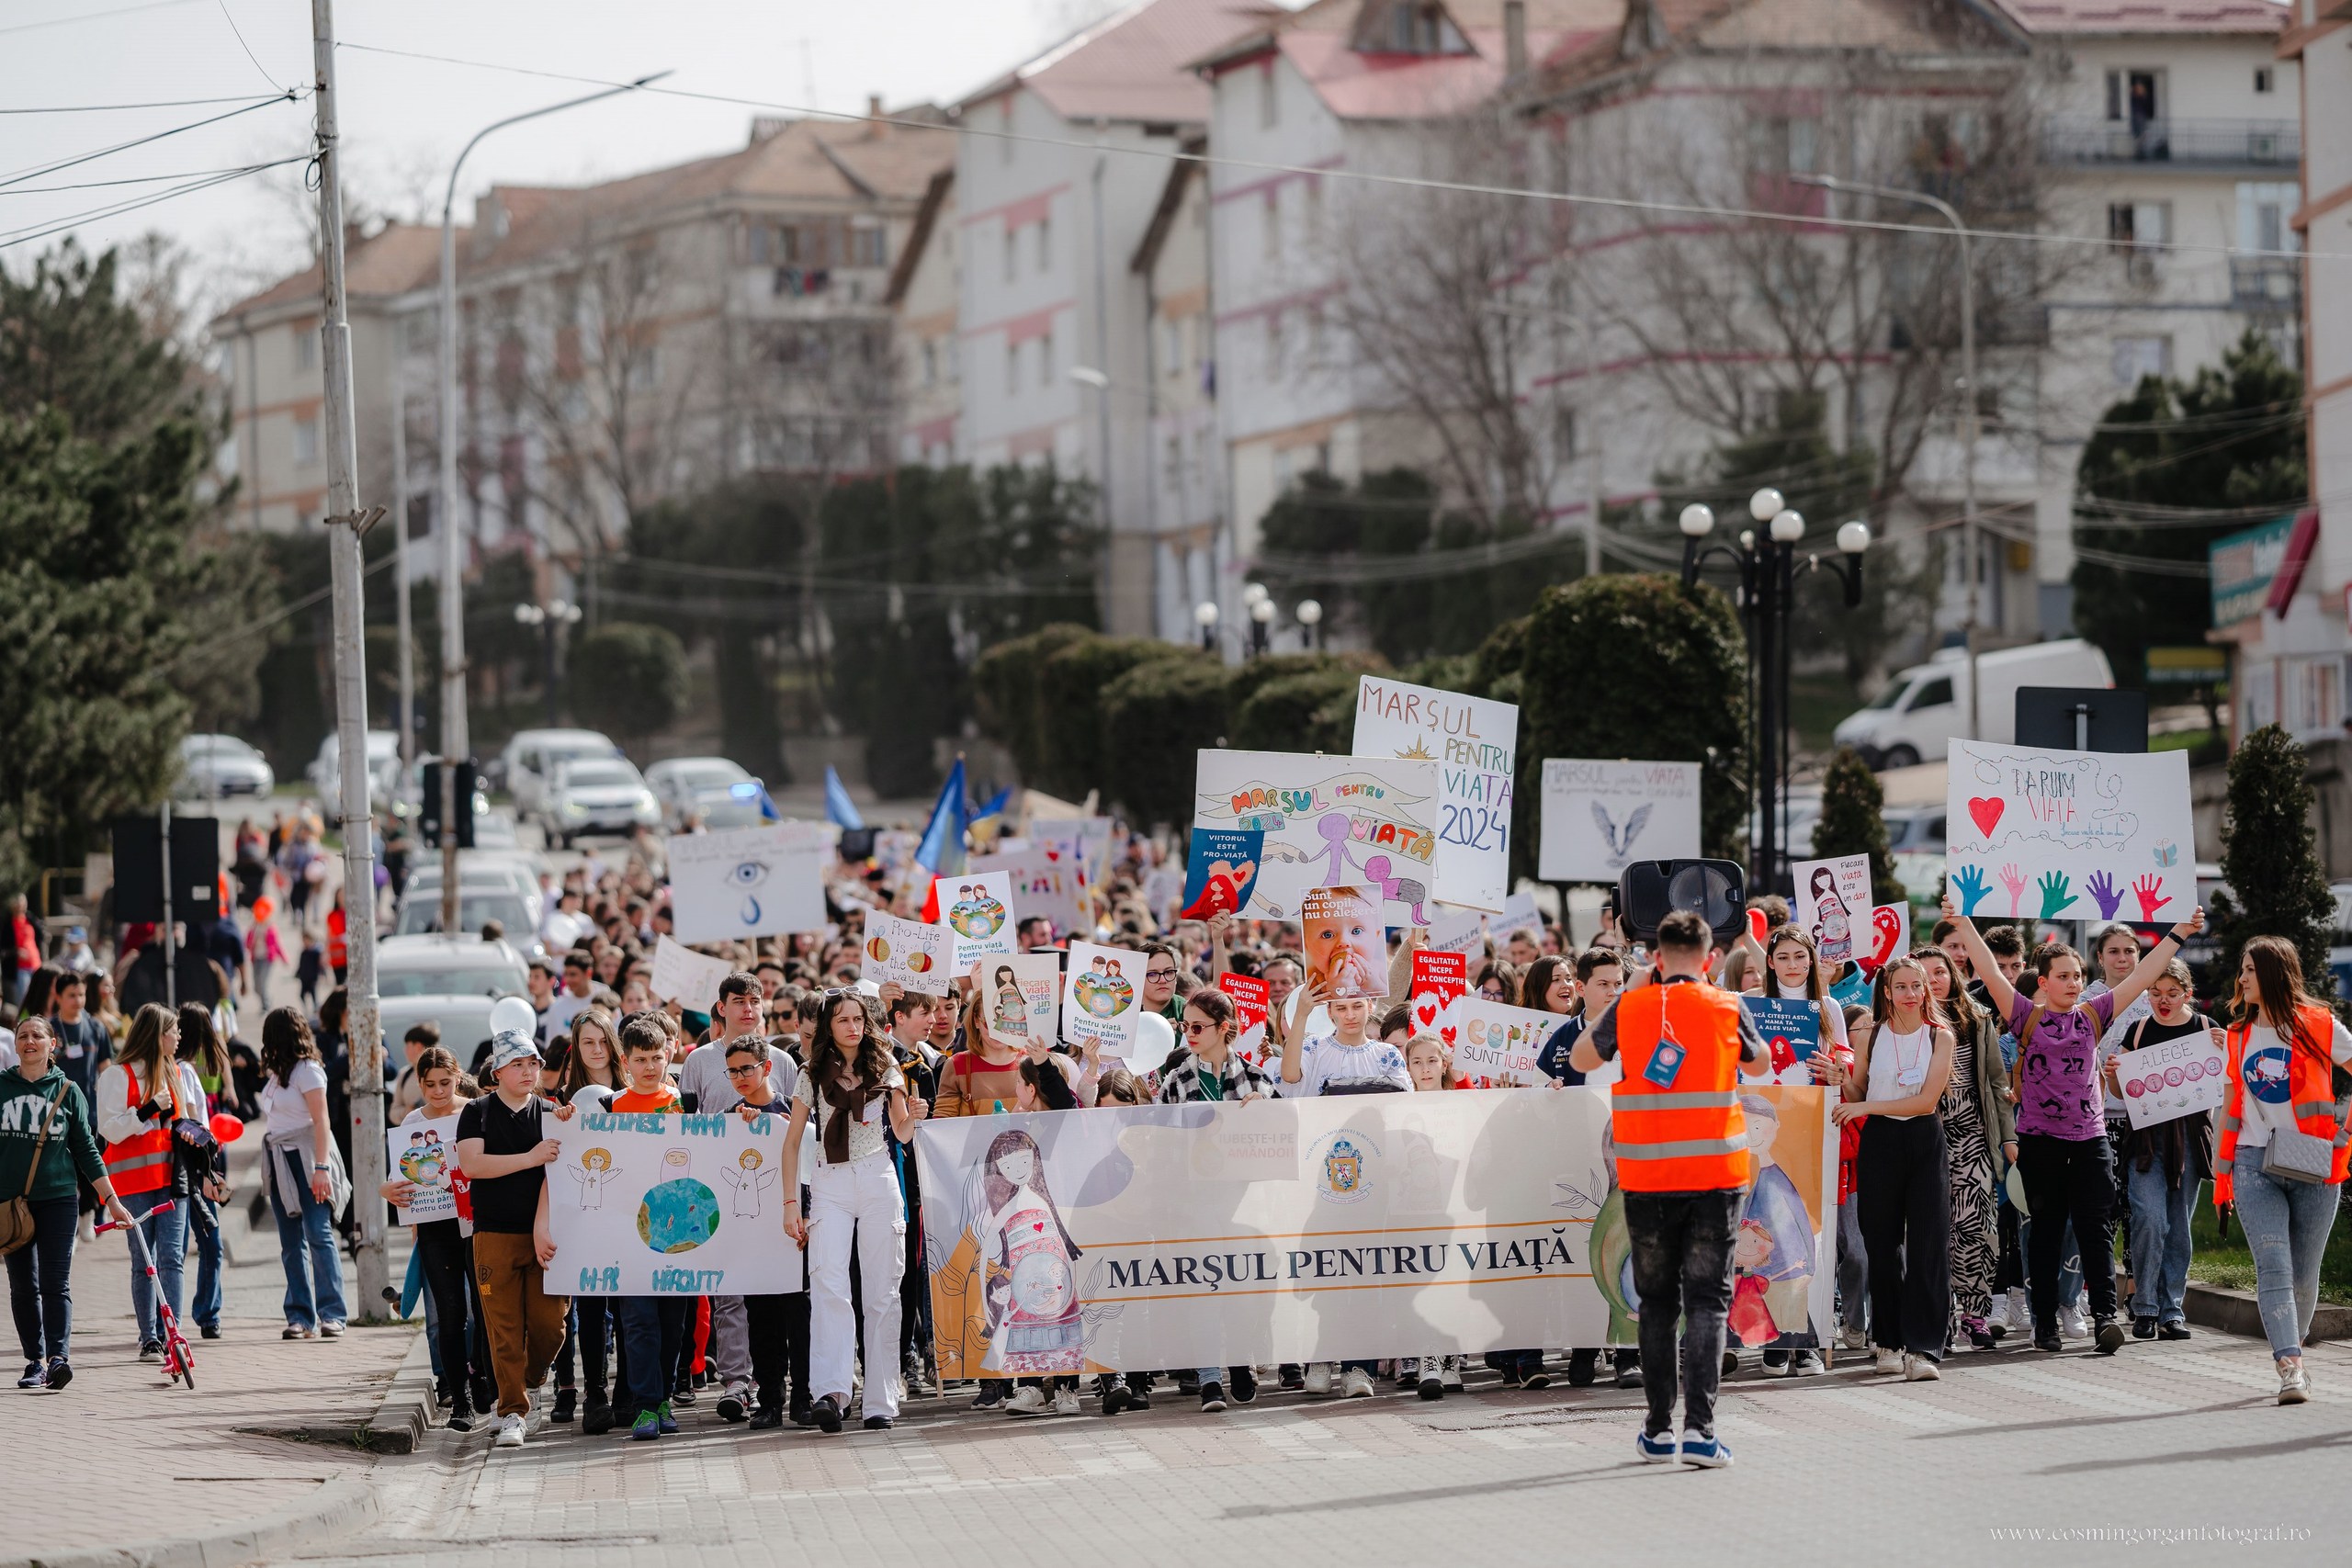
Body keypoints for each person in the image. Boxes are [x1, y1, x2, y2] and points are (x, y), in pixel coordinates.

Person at [1943, 893, 2203, 1355]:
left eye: (2078, 976)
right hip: (2040, 1142)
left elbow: (2143, 974)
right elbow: (1984, 968)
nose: (2072, 982)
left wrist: (2179, 933)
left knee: (2095, 1229)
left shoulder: (2095, 1013)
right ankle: (2045, 1323)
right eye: (2063, 976)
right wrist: (1962, 923)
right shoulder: (2025, 1014)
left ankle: (2104, 1316)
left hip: (2090, 1141)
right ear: (2043, 981)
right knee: (2043, 1233)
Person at [1568, 909, 1765, 1469]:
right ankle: (1701, 1432)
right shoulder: (1728, 1005)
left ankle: (1656, 1430)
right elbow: (1763, 1059)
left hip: (1648, 1178)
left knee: (1656, 1304)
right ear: (1709, 959)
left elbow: (1583, 1058)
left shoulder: (1630, 1007)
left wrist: (1629, 992)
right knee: (1707, 1303)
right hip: (1714, 1178)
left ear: (1655, 960)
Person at [2210, 936, 2350, 1404]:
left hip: (2313, 1164)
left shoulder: (2317, 1024)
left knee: (2305, 1274)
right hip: (2253, 1162)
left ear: (2271, 973)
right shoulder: (2238, 1034)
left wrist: (2344, 1137)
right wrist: (2221, 1165)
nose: (2242, 978)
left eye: (2249, 969)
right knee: (2273, 1265)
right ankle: (2290, 1365)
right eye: (2242, 969)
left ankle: (2295, 1345)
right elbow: (2231, 1099)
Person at [780, 989, 925, 1432]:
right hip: (830, 1180)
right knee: (828, 1285)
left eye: (858, 1018)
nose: (852, 1026)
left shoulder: (886, 1066)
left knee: (883, 1290)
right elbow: (791, 1143)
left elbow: (900, 1133)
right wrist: (791, 1204)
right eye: (842, 1019)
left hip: (878, 1174)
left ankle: (880, 1400)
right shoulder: (810, 1072)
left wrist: (914, 1115)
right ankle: (832, 1392)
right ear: (829, 1026)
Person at [1819, 954, 1955, 1381]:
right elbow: (1859, 1086)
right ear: (1887, 991)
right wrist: (1842, 1077)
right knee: (1880, 1243)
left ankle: (1924, 1348)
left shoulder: (1941, 1037)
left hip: (1923, 1139)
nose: (1911, 994)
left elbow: (1926, 1101)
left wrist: (1864, 1103)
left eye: (1918, 986)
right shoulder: (1872, 1036)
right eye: (1901, 986)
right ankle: (1889, 1342)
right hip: (1879, 1141)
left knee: (1928, 1242)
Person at [1278, 974, 1410, 1399]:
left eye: (1357, 1006)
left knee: (1367, 1272)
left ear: (1371, 1006)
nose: (1350, 1015)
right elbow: (1290, 1078)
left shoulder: (1389, 1056)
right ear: (1329, 1011)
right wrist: (1300, 1013)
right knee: (1328, 1270)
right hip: (1326, 1181)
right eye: (1341, 1007)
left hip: (1376, 1183)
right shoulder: (1315, 1049)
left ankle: (1359, 1368)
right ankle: (1321, 1357)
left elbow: (1407, 1112)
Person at [673, 972, 796, 1425]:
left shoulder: (782, 1061)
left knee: (771, 1291)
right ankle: (736, 1381)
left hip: (772, 1193)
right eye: (738, 1000)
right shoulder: (699, 1062)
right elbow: (686, 1125)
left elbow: (794, 1126)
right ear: (721, 1008)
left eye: (755, 1000)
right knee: (727, 1293)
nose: (748, 1008)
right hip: (717, 1190)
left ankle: (770, 1379)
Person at [1151, 987, 1272, 1414]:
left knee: (1239, 1290)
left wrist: (1265, 1109)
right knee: (1203, 1289)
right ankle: (1208, 1380)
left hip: (1243, 1204)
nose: (1190, 1034)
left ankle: (1239, 1360)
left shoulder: (1257, 1080)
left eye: (1198, 1027)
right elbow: (1158, 1141)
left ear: (1225, 1029)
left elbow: (1278, 1144)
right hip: (1194, 1203)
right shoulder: (1177, 1079)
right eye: (1186, 1026)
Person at [0, 1017, 136, 1390]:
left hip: (59, 1199)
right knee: (23, 1286)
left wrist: (113, 1201)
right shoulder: (1, 1088)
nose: (29, 1041)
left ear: (52, 1044)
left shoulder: (68, 1091)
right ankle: (34, 1361)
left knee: (55, 1282)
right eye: (23, 1036)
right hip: (11, 1205)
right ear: (16, 1045)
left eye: (37, 1036)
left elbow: (88, 1152)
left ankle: (59, 1358)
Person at [457, 1027, 565, 1447]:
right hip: (494, 1233)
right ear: (497, 1070)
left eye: (533, 1063)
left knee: (549, 1327)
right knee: (503, 1329)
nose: (527, 1071)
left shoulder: (553, 1111)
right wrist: (530, 1158)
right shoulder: (478, 1111)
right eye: (517, 1064)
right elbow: (472, 1165)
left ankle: (533, 1381)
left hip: (546, 1236)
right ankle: (512, 1413)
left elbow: (564, 1171)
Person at [380, 1044, 484, 1430]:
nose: (439, 1091)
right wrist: (387, 1191)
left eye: (445, 1082)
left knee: (485, 1311)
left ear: (457, 1078)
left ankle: (481, 1375)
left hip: (477, 1222)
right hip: (435, 1229)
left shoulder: (475, 1111)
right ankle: (460, 1402)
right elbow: (399, 1178)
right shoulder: (411, 1122)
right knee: (450, 1314)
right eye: (430, 1085)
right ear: (419, 1084)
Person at [2108, 959, 2212, 1342]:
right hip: (2146, 1143)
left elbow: (2223, 1080)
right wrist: (2113, 1074)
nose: (2162, 1001)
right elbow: (2121, 1092)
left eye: (2171, 993)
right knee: (2149, 1218)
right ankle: (2145, 1307)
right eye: (2155, 993)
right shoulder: (2137, 1030)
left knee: (2178, 1226)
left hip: (2188, 1141)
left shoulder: (2205, 1029)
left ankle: (2172, 1310)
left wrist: (2226, 1052)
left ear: (2188, 994)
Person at [96, 1004, 207, 1362]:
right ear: (157, 1034)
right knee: (144, 1259)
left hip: (173, 1181)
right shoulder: (118, 1075)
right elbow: (108, 1128)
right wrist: (145, 1111)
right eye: (173, 1031)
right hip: (134, 1183)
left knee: (172, 1257)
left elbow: (184, 1123)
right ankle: (149, 1338)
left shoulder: (175, 1073)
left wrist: (200, 1144)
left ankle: (172, 1332)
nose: (178, 1037)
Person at [1917, 948, 2015, 1352]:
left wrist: (2008, 1137)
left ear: (1954, 974)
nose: (1934, 980)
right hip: (1925, 1134)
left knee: (1977, 1227)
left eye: (1940, 971)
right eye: (1924, 975)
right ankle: (1940, 1315)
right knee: (1933, 1230)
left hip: (1972, 1132)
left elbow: (1996, 1081)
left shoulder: (1977, 1019)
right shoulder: (1904, 1023)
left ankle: (1974, 1316)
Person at [719, 1037, 810, 1431]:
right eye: (733, 1071)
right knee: (760, 1319)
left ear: (767, 1067)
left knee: (800, 1318)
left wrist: (806, 1217)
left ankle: (804, 1397)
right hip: (751, 1241)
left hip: (793, 1233)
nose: (740, 1078)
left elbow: (810, 1171)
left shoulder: (793, 1114)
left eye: (747, 1069)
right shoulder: (727, 1119)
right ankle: (770, 1398)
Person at [254, 1008, 348, 1339]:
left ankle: (333, 1313)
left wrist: (321, 1168)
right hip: (280, 1157)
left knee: (318, 1234)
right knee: (290, 1242)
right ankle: (299, 1316)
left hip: (308, 1157)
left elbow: (321, 1120)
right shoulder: (276, 1073)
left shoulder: (308, 1071)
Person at [175, 1004, 233, 1341]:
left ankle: (165, 1321)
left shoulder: (174, 1070)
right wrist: (212, 1169)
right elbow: (197, 1125)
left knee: (176, 1250)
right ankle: (207, 1315)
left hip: (181, 1170)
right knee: (208, 1244)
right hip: (195, 1171)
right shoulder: (184, 1073)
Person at [47, 971, 109, 1100]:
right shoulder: (47, 1029)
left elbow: (105, 1069)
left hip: (89, 1106)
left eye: (81, 995)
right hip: (56, 1104)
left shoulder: (97, 1028)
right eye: (72, 995)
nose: (78, 1000)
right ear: (58, 997)